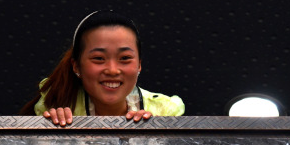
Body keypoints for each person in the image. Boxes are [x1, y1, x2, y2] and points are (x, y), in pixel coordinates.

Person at [20, 10, 184, 125]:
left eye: (125, 58)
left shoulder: (164, 112)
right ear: (76, 66)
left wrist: (155, 135)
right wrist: (52, 134)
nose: (112, 70)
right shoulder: (55, 103)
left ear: (139, 64)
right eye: (99, 58)